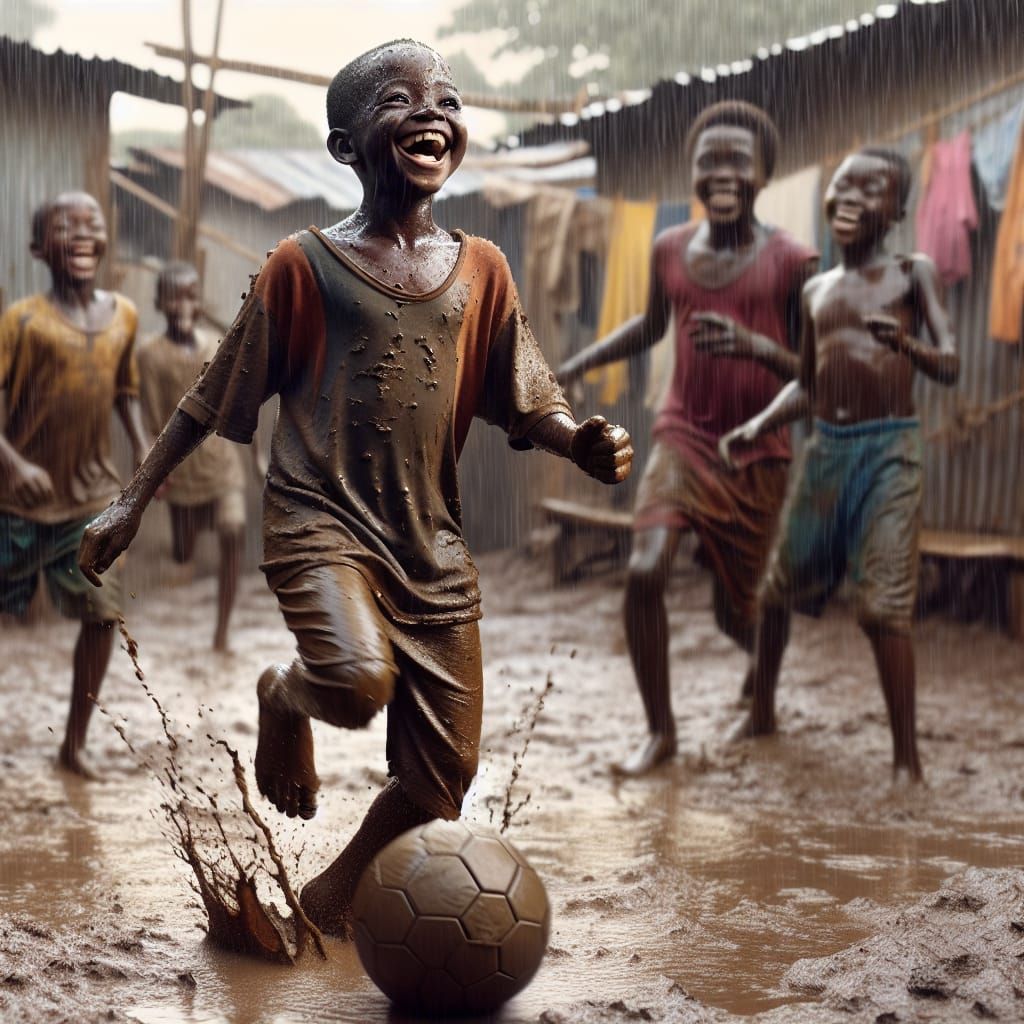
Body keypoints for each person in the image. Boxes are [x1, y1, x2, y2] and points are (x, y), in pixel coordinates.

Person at [79, 39, 633, 936]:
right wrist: (131, 502)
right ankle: (281, 694)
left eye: (446, 99)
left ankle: (323, 909)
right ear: (345, 148)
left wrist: (583, 444)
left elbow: (529, 399)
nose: (430, 113)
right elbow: (209, 397)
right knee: (354, 678)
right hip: (319, 521)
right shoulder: (304, 265)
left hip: (431, 542)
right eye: (399, 99)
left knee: (441, 780)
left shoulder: (483, 267)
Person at [558, 101, 818, 776]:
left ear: (765, 173)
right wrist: (583, 361)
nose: (722, 173)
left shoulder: (794, 261)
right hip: (682, 435)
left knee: (750, 606)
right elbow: (649, 326)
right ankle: (661, 732)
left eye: (738, 160)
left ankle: (761, 700)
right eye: (708, 162)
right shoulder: (668, 248)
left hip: (757, 448)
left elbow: (817, 376)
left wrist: (759, 347)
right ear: (692, 175)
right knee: (644, 573)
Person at [720, 147, 959, 781]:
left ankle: (907, 762)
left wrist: (907, 344)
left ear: (899, 211)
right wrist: (758, 423)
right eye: (843, 187)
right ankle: (762, 712)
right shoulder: (818, 287)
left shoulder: (914, 273)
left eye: (871, 189)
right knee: (774, 593)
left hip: (890, 452)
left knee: (883, 607)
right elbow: (808, 383)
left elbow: (952, 364)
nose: (850, 198)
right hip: (826, 450)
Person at [0, 191, 147, 778]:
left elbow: (125, 392)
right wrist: (14, 465)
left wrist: (143, 449)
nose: (83, 233)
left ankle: (74, 745)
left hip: (90, 500)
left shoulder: (126, 315)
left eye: (92, 223)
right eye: (65, 225)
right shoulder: (21, 321)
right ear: (39, 247)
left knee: (102, 616)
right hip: (16, 503)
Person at [137, 261, 250, 651]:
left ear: (199, 301)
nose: (184, 304)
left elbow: (235, 401)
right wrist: (153, 470)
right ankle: (188, 540)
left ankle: (221, 633)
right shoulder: (149, 356)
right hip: (180, 469)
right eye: (175, 297)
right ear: (159, 303)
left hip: (220, 465)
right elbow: (152, 420)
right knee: (183, 552)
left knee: (233, 531)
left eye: (191, 295)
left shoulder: (215, 345)